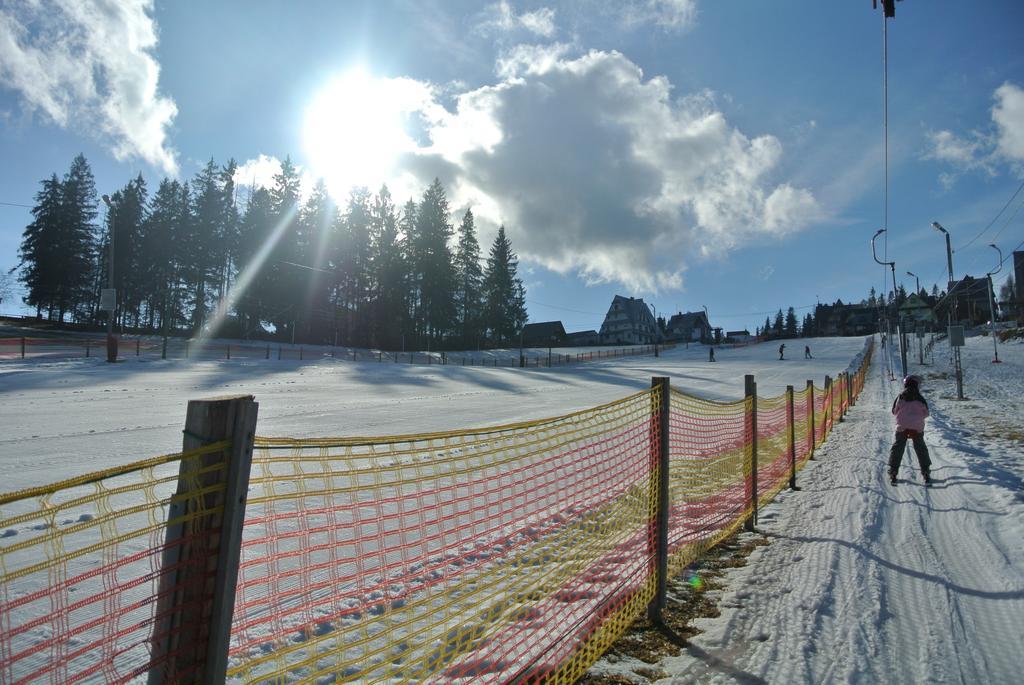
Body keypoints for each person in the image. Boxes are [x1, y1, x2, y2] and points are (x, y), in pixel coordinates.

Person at [888, 375, 932, 486]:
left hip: (902, 426)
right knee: (920, 447)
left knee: (898, 446)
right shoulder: (920, 398)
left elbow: (894, 411)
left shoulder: (900, 397)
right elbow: (926, 413)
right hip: (917, 427)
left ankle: (893, 471)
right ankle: (925, 471)